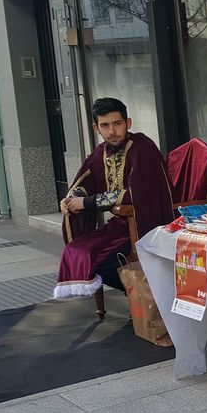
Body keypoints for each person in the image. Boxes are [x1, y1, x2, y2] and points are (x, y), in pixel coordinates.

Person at [54, 98, 173, 300]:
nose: (112, 131)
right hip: (120, 225)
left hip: (150, 223)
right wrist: (72, 198)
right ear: (96, 128)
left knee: (101, 260)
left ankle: (145, 298)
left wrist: (87, 203)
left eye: (117, 124)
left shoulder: (142, 148)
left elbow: (137, 194)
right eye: (105, 125)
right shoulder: (101, 152)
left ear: (128, 123)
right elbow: (85, 181)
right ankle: (141, 298)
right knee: (76, 252)